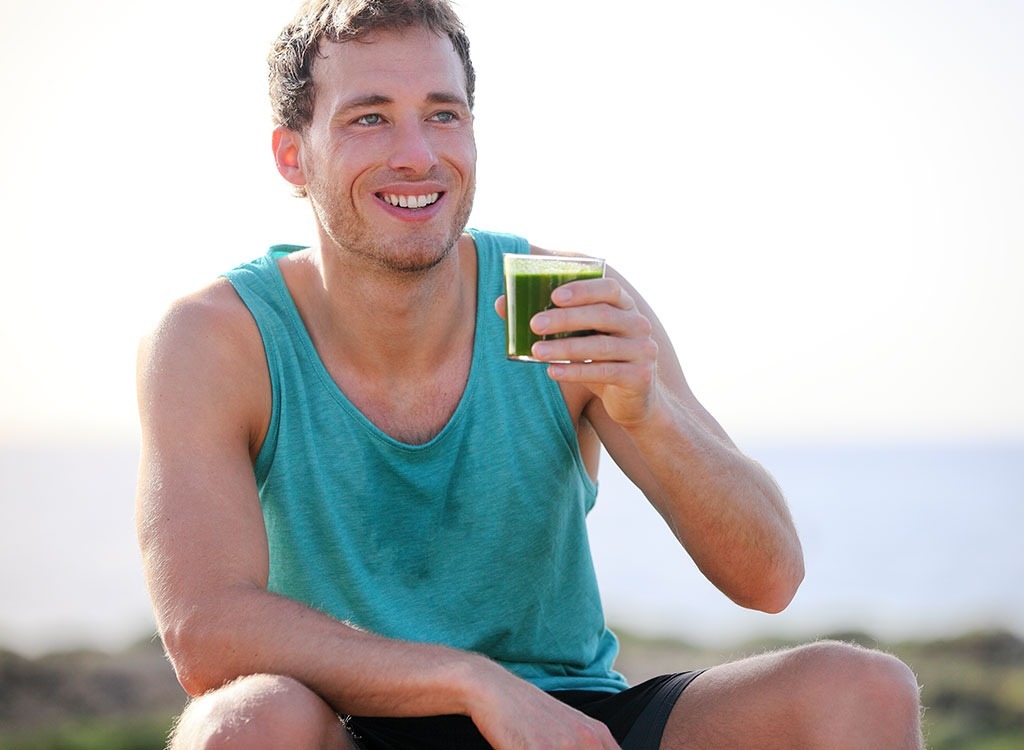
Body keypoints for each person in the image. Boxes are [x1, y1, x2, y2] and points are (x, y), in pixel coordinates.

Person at [134, 1, 924, 747]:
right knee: (239, 724)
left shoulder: (565, 297)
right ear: (291, 155)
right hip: (345, 720)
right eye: (369, 118)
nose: (418, 153)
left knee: (865, 690)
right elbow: (204, 632)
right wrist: (470, 681)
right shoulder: (217, 339)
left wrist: (648, 412)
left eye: (443, 113)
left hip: (569, 721)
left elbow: (771, 576)